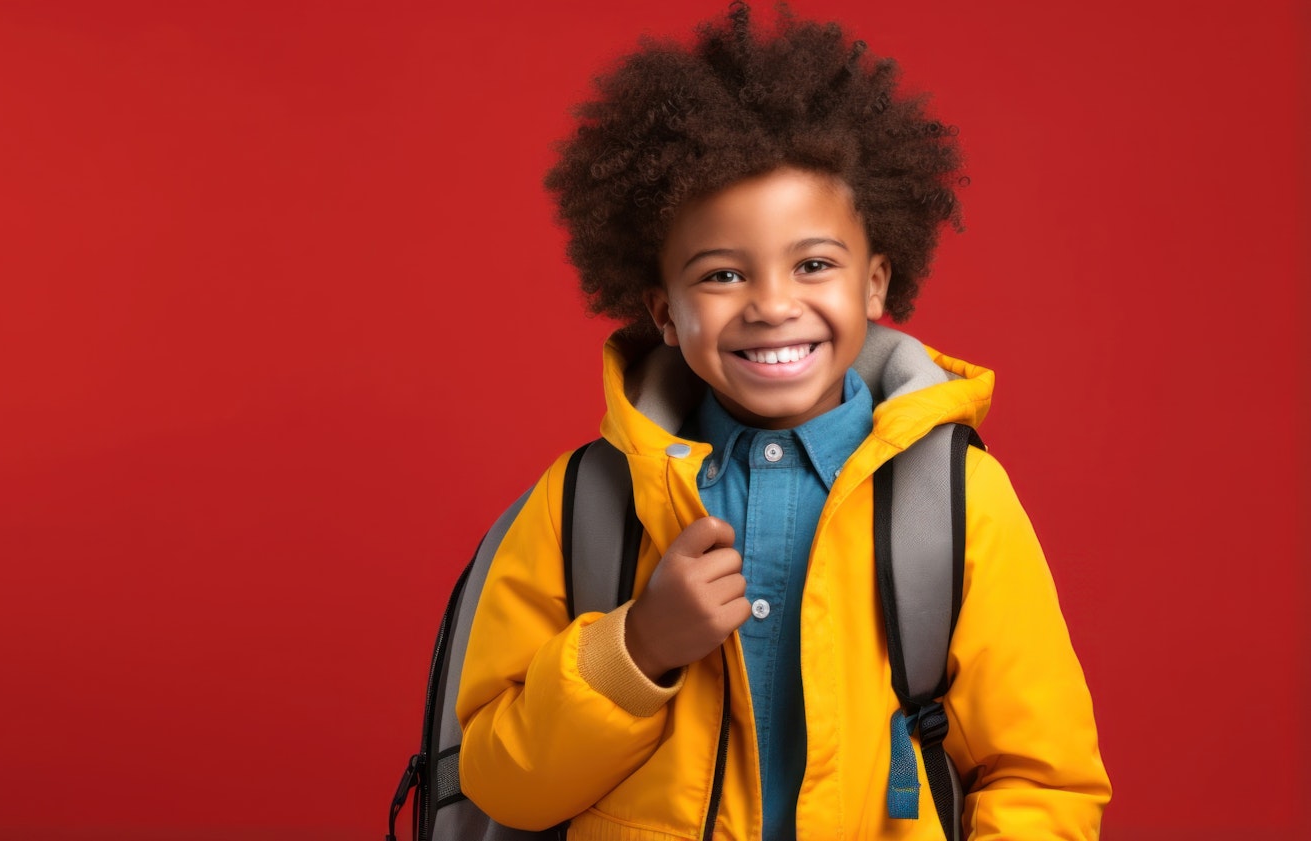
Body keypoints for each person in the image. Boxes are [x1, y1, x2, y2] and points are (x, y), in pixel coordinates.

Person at [455, 4, 1110, 839]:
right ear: (664, 310)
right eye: (723, 273)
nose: (771, 305)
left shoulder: (956, 502)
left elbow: (1041, 777)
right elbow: (503, 784)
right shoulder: (583, 503)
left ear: (874, 284)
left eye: (813, 264)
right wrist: (639, 647)